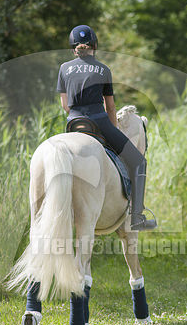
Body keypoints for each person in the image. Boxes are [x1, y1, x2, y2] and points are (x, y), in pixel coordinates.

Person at [57, 24, 156, 231]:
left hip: (73, 123)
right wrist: (114, 130)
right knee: (139, 162)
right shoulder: (103, 69)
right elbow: (110, 107)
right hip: (99, 122)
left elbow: (65, 106)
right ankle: (137, 217)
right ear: (94, 46)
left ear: (73, 48)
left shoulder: (64, 68)